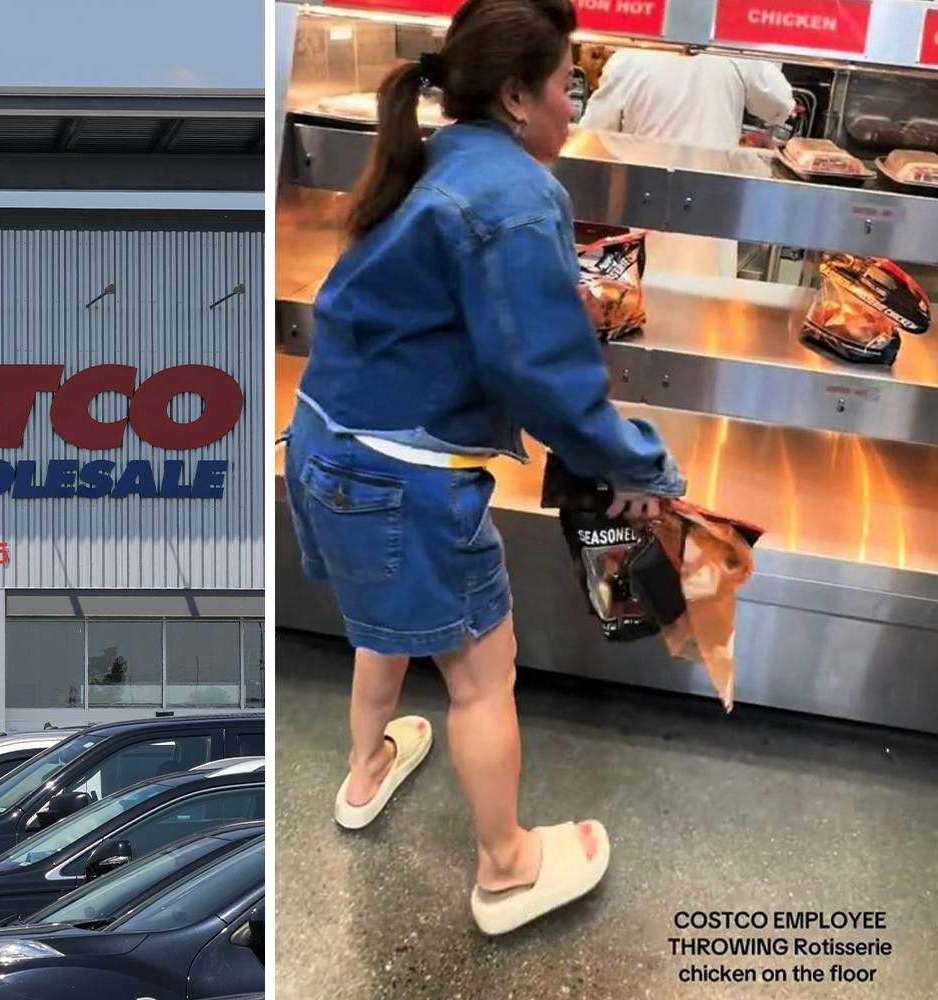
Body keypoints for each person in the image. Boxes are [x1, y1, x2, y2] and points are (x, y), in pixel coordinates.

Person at [287, 0, 685, 937]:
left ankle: (365, 771)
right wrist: (643, 468)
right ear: (516, 95)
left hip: (323, 442)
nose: (572, 102)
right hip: (400, 477)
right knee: (481, 671)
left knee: (383, 623)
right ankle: (507, 867)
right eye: (564, 85)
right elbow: (540, 373)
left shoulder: (436, 159)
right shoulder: (515, 194)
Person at [577, 49, 797, 277]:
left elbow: (591, 139)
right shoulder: (733, 55)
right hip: (713, 216)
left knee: (649, 297)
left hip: (648, 211)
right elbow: (780, 103)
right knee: (706, 298)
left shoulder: (629, 59)